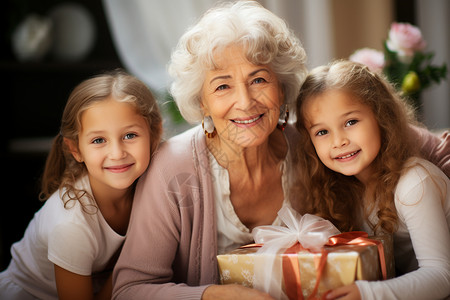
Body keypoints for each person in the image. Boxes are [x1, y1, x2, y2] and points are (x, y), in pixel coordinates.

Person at [112, 1, 450, 299]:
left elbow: (407, 137)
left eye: (259, 80)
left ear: (282, 86)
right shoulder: (173, 168)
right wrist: (213, 296)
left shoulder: (312, 140)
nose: (245, 102)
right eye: (223, 86)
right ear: (202, 102)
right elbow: (129, 290)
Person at [294, 60, 450, 300]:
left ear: (381, 117)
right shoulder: (342, 191)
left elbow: (441, 276)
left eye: (351, 122)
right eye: (322, 132)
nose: (338, 141)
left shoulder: (414, 182)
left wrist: (367, 293)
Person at [0, 69, 162, 300]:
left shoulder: (155, 186)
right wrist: (129, 267)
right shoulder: (71, 224)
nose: (116, 153)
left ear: (155, 133)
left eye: (129, 135)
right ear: (75, 149)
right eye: (99, 140)